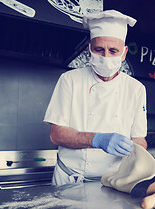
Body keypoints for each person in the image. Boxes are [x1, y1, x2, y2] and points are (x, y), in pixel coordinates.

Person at [44, 10, 147, 186]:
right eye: (99, 49)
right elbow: (56, 135)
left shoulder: (136, 89)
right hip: (70, 180)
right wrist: (97, 139)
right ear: (90, 50)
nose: (106, 57)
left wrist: (134, 149)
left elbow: (140, 139)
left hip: (113, 182)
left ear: (124, 53)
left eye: (113, 51)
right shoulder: (69, 80)